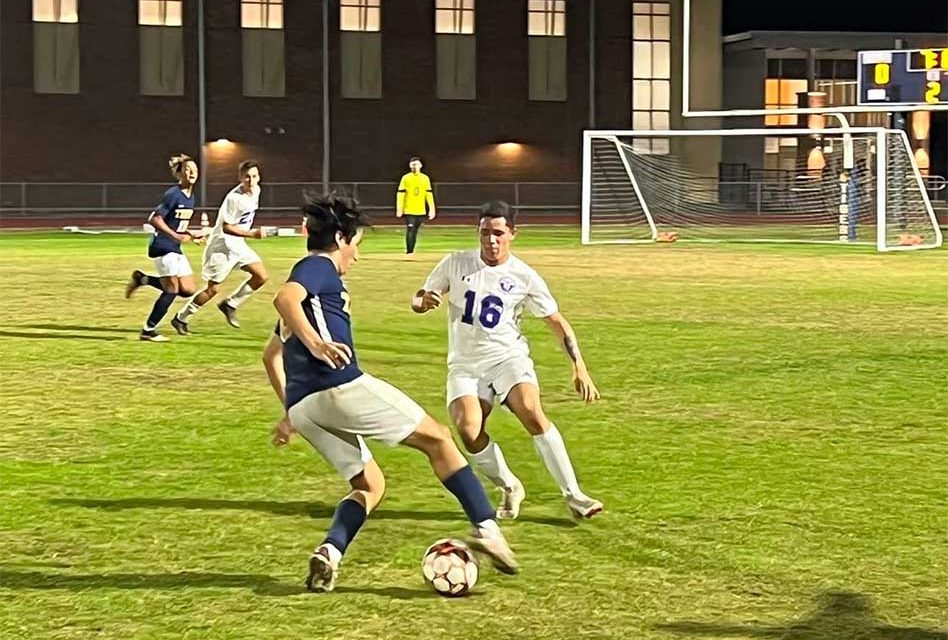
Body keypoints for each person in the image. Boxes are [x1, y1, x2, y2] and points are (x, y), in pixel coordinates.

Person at [271, 193, 517, 592]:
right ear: (339, 238)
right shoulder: (318, 267)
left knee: (370, 486)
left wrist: (290, 409)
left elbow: (271, 356)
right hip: (338, 386)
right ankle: (488, 527)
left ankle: (329, 553)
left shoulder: (316, 291)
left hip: (304, 405)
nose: (356, 256)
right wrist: (318, 346)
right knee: (439, 439)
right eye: (356, 245)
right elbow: (285, 298)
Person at [411, 201, 603, 520]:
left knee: (530, 409)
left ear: (512, 233)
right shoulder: (455, 263)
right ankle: (510, 485)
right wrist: (422, 301)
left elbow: (556, 322)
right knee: (468, 430)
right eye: (485, 233)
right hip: (465, 365)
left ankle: (575, 496)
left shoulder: (524, 276)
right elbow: (419, 297)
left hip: (507, 358)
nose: (491, 240)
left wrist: (579, 367)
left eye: (498, 233)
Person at [172, 160, 267, 334]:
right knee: (213, 289)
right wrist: (252, 234)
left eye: (254, 176)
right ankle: (181, 318)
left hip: (238, 245)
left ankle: (230, 304)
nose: (251, 180)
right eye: (247, 177)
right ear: (240, 177)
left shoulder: (256, 191)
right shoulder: (234, 198)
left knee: (261, 276)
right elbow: (226, 227)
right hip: (222, 247)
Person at [125, 154, 201, 342]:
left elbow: (177, 224)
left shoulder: (191, 197)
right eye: (187, 170)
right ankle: (148, 330)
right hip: (162, 245)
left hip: (174, 247)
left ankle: (143, 279)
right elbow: (155, 218)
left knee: (188, 290)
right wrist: (176, 236)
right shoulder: (173, 194)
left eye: (194, 170)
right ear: (180, 174)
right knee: (172, 290)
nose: (191, 173)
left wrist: (191, 234)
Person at [395, 156, 436, 259]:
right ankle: (409, 252)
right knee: (410, 229)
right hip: (409, 210)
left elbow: (429, 194)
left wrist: (432, 209)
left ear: (420, 166)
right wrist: (399, 208)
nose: (414, 166)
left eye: (416, 164)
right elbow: (400, 194)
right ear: (410, 166)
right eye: (413, 164)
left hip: (421, 210)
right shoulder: (406, 178)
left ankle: (412, 250)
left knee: (415, 231)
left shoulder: (425, 178)